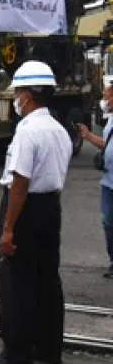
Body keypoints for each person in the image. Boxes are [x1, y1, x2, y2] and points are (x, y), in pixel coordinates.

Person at [0, 60, 72, 364]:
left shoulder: (27, 131)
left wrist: (8, 230)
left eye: (17, 91)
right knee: (47, 278)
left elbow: (20, 182)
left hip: (26, 209)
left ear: (28, 95)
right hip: (50, 208)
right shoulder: (59, 129)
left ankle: (17, 352)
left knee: (18, 280)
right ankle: (48, 348)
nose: (15, 98)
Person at [75, 78, 113, 277]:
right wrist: (88, 136)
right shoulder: (111, 120)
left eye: (108, 94)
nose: (105, 97)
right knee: (108, 222)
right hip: (108, 182)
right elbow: (106, 143)